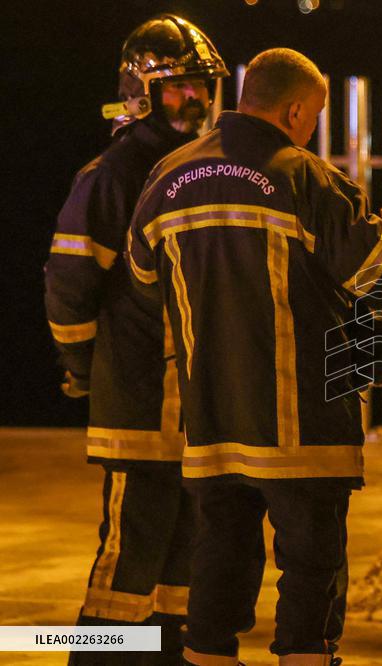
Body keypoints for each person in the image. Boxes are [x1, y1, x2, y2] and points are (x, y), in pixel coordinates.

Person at [125, 48, 382, 666]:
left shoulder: (166, 176)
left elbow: (141, 278)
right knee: (311, 576)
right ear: (296, 110)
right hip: (304, 428)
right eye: (315, 115)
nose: (312, 127)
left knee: (217, 563)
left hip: (212, 426)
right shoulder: (305, 177)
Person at [43, 14, 228, 664]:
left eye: (202, 85)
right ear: (139, 93)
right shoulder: (115, 173)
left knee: (182, 566)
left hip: (193, 413)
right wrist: (83, 368)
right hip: (140, 406)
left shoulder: (204, 168)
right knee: (126, 565)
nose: (195, 98)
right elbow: (70, 283)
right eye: (178, 86)